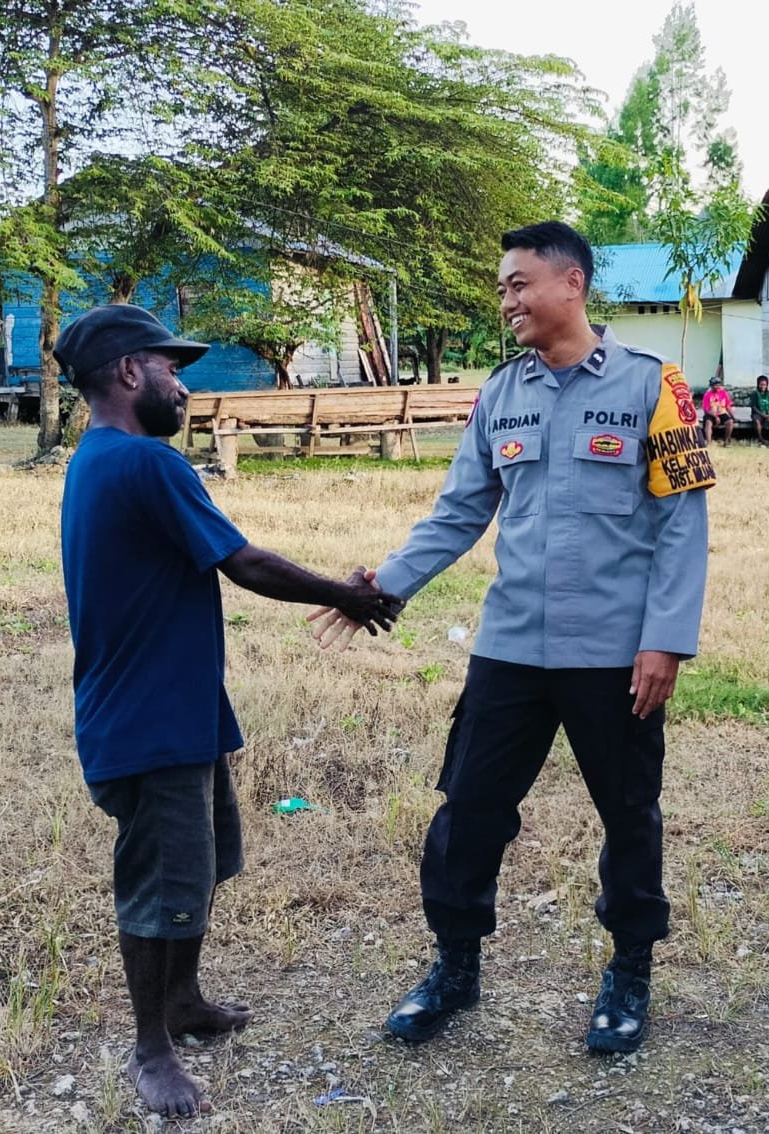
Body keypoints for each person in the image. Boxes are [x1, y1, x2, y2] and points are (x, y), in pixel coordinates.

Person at [308, 221, 713, 1054]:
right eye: (502, 288)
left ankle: (629, 970)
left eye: (519, 284)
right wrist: (382, 588)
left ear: (572, 283)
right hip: (512, 648)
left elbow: (682, 523)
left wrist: (666, 641)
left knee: (629, 816)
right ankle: (455, 967)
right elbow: (458, 512)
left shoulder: (655, 386)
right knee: (468, 810)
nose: (507, 301)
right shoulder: (501, 394)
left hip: (614, 653)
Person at [55, 304, 402, 1117]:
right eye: (170, 369)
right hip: (149, 722)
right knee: (160, 884)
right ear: (129, 372)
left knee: (198, 866)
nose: (184, 385)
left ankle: (182, 1000)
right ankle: (151, 1050)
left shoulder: (96, 458)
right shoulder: (147, 463)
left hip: (171, 708)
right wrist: (346, 595)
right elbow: (243, 563)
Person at [701, 375, 736, 446]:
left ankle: (726, 441)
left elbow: (728, 406)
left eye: (719, 385)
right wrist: (715, 417)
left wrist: (733, 417)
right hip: (711, 414)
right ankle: (709, 442)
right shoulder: (707, 395)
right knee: (708, 423)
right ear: (712, 386)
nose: (718, 387)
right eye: (716, 385)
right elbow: (706, 410)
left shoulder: (723, 393)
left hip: (721, 413)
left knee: (730, 422)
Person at [750, 374, 769, 445]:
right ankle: (761, 439)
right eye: (761, 384)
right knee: (757, 422)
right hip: (758, 413)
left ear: (767, 385)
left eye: (765, 385)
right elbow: (753, 407)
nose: (763, 386)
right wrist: (763, 415)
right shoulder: (755, 393)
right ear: (758, 385)